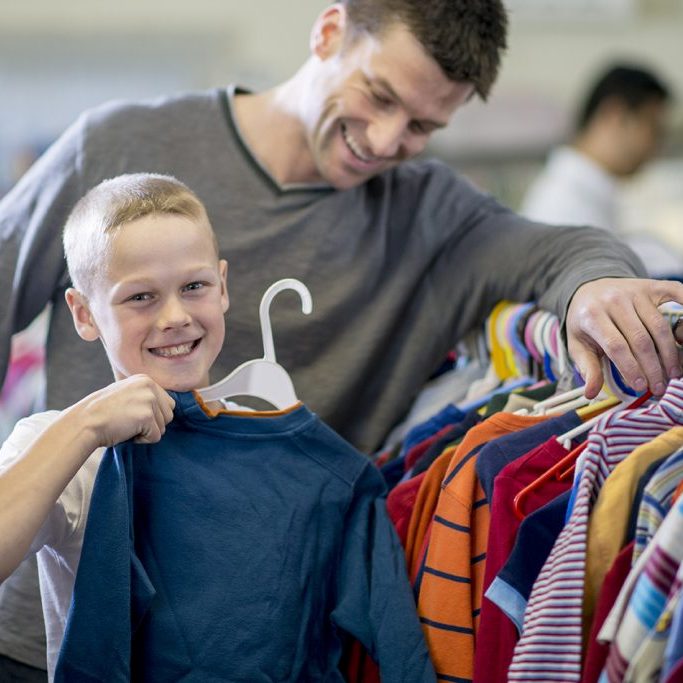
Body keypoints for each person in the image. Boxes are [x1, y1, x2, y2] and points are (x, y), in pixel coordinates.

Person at [1, 0, 683, 671]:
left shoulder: (431, 215)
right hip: (45, 633)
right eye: (378, 95)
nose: (386, 141)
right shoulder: (120, 144)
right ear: (328, 32)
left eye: (421, 124)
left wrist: (597, 286)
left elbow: (561, 249)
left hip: (259, 644)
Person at [0, 173, 433, 681]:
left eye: (194, 287)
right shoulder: (67, 449)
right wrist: (89, 424)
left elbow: (400, 651)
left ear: (223, 286)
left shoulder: (308, 464)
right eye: (140, 297)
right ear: (84, 313)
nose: (175, 316)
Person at [521, 62, 680, 275]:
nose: (656, 146)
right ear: (615, 115)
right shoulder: (565, 207)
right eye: (653, 127)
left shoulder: (590, 195)